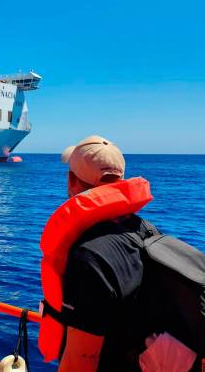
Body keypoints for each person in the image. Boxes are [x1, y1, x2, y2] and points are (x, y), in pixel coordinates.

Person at [38, 135, 201, 372]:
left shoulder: (89, 258)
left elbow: (80, 363)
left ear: (71, 180)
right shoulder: (146, 231)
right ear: (120, 180)